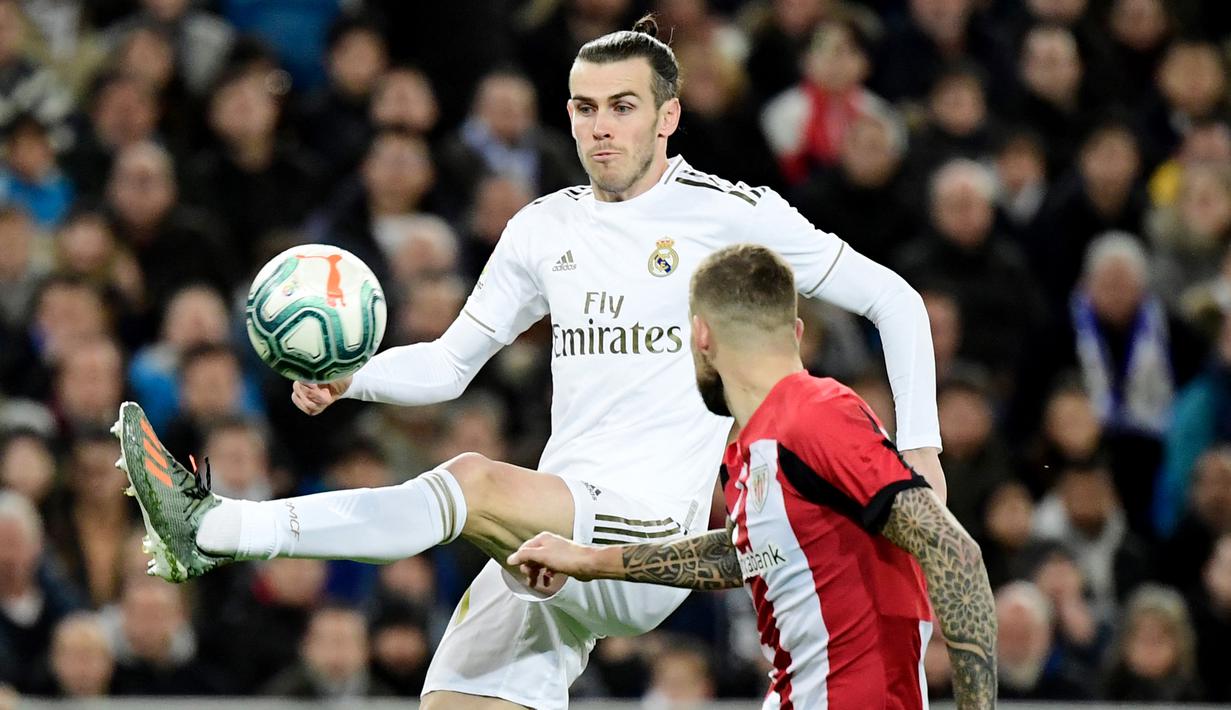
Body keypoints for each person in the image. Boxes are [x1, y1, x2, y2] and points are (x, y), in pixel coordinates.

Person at [114, 17, 945, 710]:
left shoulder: (727, 215)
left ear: (668, 118)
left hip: (646, 539)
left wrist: (920, 455)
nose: (599, 127)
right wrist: (350, 379)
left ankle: (217, 528)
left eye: (622, 107)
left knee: (470, 479)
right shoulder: (544, 227)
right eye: (583, 108)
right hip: (542, 540)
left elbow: (896, 302)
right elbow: (447, 367)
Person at [508, 244, 995, 709]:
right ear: (797, 332)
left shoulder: (818, 414)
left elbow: (954, 551)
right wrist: (588, 560)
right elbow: (743, 550)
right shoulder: (752, 447)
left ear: (701, 336)